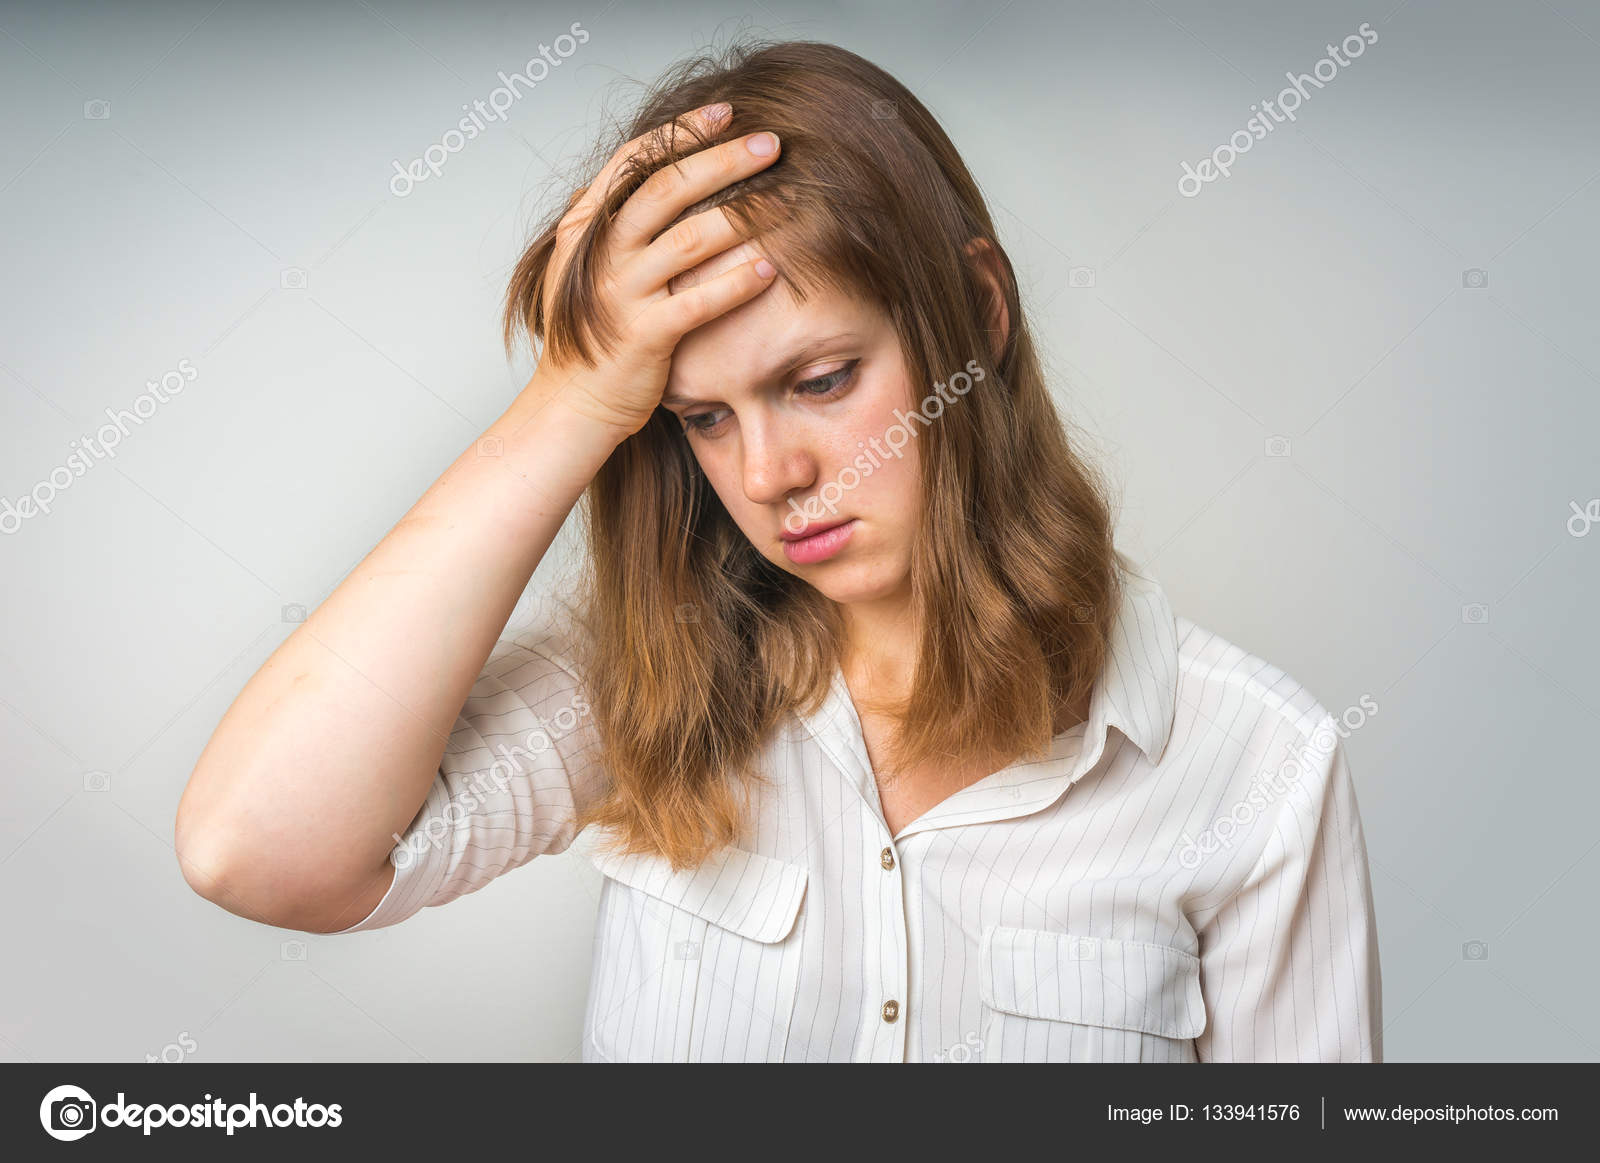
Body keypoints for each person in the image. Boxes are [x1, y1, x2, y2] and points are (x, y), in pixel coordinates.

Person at [176, 39, 1381, 1062]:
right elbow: (254, 850)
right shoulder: (647, 688)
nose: (768, 477)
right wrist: (577, 397)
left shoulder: (1259, 767)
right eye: (703, 417)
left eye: (819, 380)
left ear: (981, 311)